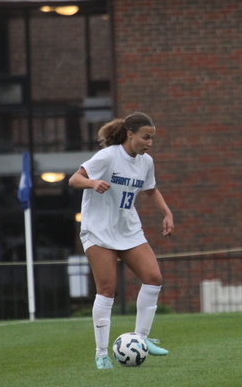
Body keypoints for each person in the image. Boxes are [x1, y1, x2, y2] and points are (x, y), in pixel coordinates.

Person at [68, 112, 174, 369]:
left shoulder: (146, 162)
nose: (149, 143)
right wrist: (92, 183)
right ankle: (102, 354)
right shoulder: (108, 156)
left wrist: (167, 213)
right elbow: (74, 179)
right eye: (145, 137)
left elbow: (150, 190)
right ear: (130, 135)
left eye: (152, 138)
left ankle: (142, 339)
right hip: (98, 231)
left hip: (128, 230)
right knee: (106, 291)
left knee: (153, 278)